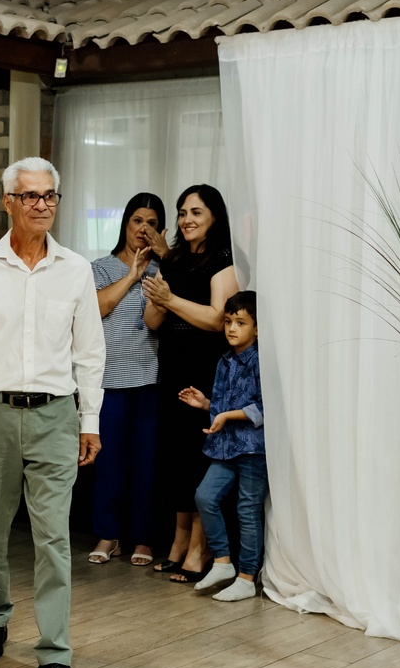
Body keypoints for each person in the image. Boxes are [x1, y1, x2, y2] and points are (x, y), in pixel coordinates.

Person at [0, 158, 105, 668]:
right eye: (31, 196)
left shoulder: (75, 270)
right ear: (8, 203)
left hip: (56, 415)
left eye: (50, 195)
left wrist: (90, 420)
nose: (42, 204)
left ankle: (55, 651)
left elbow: (90, 353)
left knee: (54, 537)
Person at [142, 184, 240, 584]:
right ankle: (179, 540)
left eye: (196, 212)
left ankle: (201, 546)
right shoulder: (175, 259)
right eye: (182, 212)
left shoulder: (224, 259)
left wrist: (170, 299)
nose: (186, 220)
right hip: (172, 366)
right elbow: (151, 320)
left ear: (214, 216)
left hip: (205, 369)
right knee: (175, 457)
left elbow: (218, 319)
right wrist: (160, 299)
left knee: (200, 456)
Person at [88, 192, 166, 567]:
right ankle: (108, 534)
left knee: (147, 463)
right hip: (109, 377)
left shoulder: (165, 269)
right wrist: (133, 275)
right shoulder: (101, 267)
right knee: (110, 461)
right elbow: (97, 307)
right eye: (137, 220)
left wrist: (163, 263)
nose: (143, 229)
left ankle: (144, 538)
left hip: (150, 375)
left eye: (151, 223)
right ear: (125, 224)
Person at [183, 292, 266, 602]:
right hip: (224, 446)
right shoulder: (224, 360)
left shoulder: (261, 361)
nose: (232, 328)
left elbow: (265, 407)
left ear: (257, 328)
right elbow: (222, 407)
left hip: (253, 449)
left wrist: (227, 415)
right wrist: (205, 403)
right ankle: (222, 562)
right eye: (228, 321)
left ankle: (247, 577)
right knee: (205, 496)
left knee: (248, 509)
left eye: (241, 323)